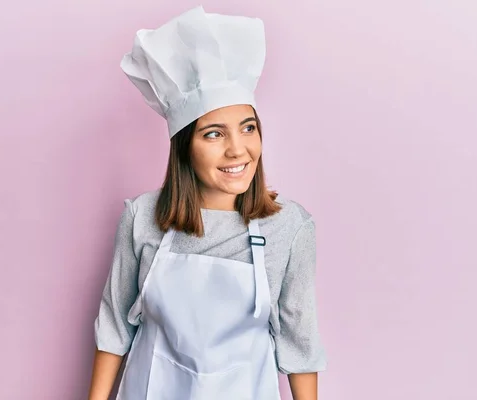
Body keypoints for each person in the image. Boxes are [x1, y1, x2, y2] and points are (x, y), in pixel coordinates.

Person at [88, 6, 327, 400]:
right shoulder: (142, 217)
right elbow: (114, 327)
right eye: (214, 134)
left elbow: (299, 345)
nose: (238, 150)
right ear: (185, 148)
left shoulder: (290, 227)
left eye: (248, 128)